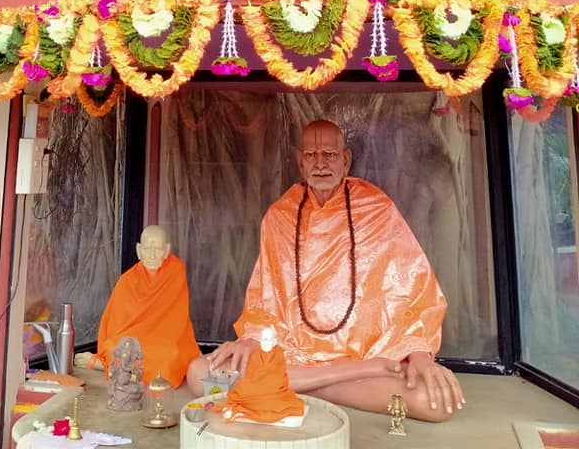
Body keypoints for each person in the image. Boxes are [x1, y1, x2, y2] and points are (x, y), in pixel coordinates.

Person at [187, 120, 464, 422]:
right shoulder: (280, 215)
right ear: (300, 161)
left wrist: (420, 354)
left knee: (433, 402)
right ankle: (325, 383)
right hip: (299, 358)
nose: (320, 164)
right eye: (311, 155)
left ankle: (290, 387)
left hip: (364, 357)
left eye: (329, 155)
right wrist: (253, 338)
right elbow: (264, 298)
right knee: (200, 373)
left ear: (346, 160)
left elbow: (413, 290)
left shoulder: (376, 209)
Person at [81, 224, 200, 388]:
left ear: (166, 250)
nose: (151, 255)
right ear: (139, 250)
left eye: (157, 249)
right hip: (133, 340)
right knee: (114, 347)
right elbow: (115, 323)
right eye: (147, 248)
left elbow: (176, 318)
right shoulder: (127, 280)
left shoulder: (175, 271)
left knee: (172, 357)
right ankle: (114, 365)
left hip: (165, 338)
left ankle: (118, 368)